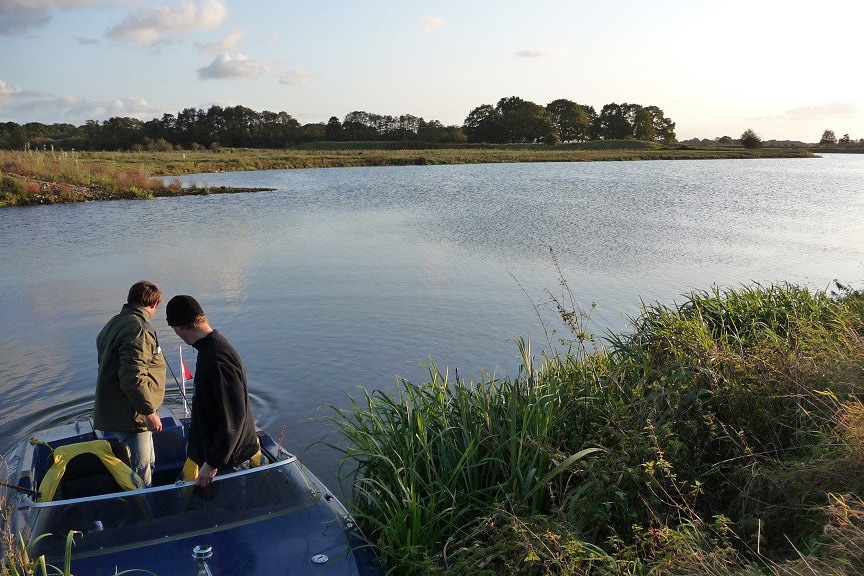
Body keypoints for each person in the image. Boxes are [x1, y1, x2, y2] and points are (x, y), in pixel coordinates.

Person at [165, 294, 259, 488]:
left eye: (175, 329)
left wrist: (212, 463)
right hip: (219, 458)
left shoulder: (216, 359)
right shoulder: (210, 349)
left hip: (228, 463)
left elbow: (234, 417)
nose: (178, 335)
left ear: (183, 327)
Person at [94, 280, 167, 487]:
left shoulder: (114, 323)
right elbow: (133, 377)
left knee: (144, 466)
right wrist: (148, 412)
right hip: (132, 417)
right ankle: (143, 505)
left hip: (115, 412)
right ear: (154, 304)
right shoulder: (138, 329)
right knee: (140, 475)